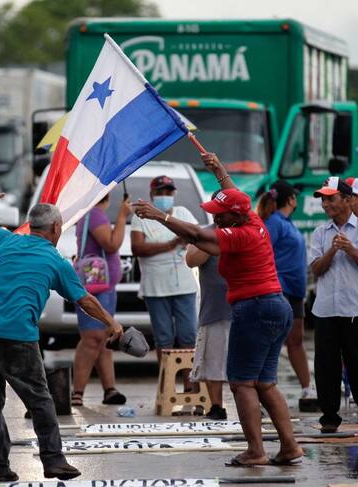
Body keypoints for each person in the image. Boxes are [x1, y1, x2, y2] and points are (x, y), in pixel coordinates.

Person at [134, 153, 303, 467]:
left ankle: (256, 451)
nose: (215, 218)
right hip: (275, 306)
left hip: (254, 308)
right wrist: (220, 170)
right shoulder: (252, 219)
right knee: (265, 383)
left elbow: (197, 236)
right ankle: (290, 447)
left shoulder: (239, 234)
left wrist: (158, 216)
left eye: (219, 215)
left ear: (233, 218)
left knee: (241, 383)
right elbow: (232, 197)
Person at [0, 179, 123, 482]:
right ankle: (53, 461)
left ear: (30, 225)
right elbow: (85, 300)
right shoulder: (56, 262)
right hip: (17, 336)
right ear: (55, 228)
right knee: (40, 400)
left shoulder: (4, 241)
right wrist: (112, 323)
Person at [308, 177, 358, 433]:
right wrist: (332, 251)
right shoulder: (321, 233)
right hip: (326, 309)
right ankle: (330, 417)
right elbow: (316, 269)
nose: (325, 204)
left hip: (357, 310)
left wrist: (351, 250)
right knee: (326, 367)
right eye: (323, 199)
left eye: (331, 198)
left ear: (349, 199)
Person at [130, 175, 198, 388]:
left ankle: (189, 385)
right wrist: (171, 244)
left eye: (168, 192)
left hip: (184, 285)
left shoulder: (183, 212)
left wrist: (185, 239)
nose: (165, 195)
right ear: (152, 194)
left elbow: (196, 235)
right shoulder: (141, 217)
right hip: (155, 287)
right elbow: (137, 248)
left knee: (188, 336)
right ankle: (166, 387)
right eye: (160, 192)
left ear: (174, 194)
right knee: (164, 338)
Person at [72, 193, 132, 407]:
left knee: (104, 338)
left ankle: (109, 389)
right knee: (92, 338)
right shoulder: (95, 215)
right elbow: (111, 244)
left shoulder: (91, 214)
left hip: (104, 287)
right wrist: (122, 216)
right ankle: (77, 392)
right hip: (95, 287)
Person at [256, 180, 314, 401]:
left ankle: (307, 388)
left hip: (296, 292)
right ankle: (263, 387)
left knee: (296, 340)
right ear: (290, 199)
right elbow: (262, 253)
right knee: (272, 341)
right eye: (295, 196)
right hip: (280, 290)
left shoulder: (287, 222)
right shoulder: (274, 223)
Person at [185, 200, 232, 420]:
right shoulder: (205, 233)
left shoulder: (244, 231)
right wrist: (212, 240)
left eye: (220, 212)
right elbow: (191, 260)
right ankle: (216, 406)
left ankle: (252, 401)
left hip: (243, 307)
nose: (216, 216)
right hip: (214, 308)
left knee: (246, 361)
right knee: (214, 360)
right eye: (214, 212)